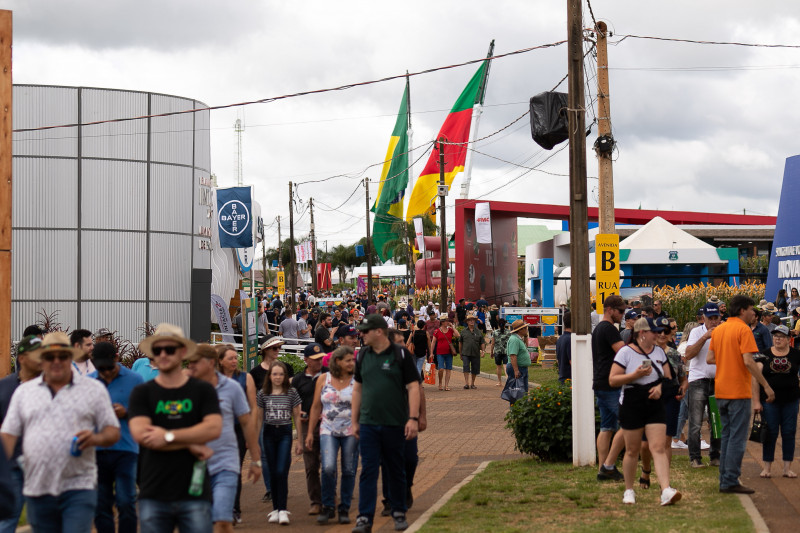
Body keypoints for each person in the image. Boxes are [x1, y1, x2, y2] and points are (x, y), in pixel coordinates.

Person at [1, 332, 120, 532]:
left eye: (62, 356)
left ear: (70, 357)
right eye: (50, 357)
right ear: (42, 360)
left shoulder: (93, 389)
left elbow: (113, 431)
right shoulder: (24, 393)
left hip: (79, 486)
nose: (56, 361)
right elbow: (8, 436)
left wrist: (96, 438)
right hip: (37, 488)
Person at [128, 324, 223, 533]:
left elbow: (213, 429)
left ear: (182, 352)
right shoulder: (142, 393)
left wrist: (168, 436)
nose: (162, 354)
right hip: (153, 491)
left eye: (169, 349)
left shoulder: (202, 390)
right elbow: (142, 435)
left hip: (194, 491)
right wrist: (191, 442)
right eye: (157, 350)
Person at [351, 314, 420, 533]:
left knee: (395, 468)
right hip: (369, 423)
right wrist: (354, 420)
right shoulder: (362, 356)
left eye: (365, 331)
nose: (361, 335)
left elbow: (413, 387)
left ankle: (398, 511)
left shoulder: (400, 354)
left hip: (394, 423)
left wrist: (413, 418)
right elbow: (357, 389)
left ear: (379, 332)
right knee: (368, 470)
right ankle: (364, 517)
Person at [186, 344, 261, 533]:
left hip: (225, 464)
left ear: (211, 363)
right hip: (195, 467)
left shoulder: (232, 387)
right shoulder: (185, 388)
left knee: (221, 519)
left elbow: (246, 422)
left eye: (196, 362)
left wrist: (256, 460)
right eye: (189, 362)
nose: (190, 366)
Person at [707, 295, 775, 494]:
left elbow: (710, 358)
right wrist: (766, 386)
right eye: (751, 309)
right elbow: (748, 361)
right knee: (736, 438)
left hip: (721, 390)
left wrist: (728, 359)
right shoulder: (743, 329)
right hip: (738, 391)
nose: (754, 312)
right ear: (742, 310)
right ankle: (729, 480)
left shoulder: (719, 329)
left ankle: (725, 478)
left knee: (728, 435)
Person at [609, 317, 681, 506]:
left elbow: (669, 378)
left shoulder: (659, 352)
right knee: (633, 450)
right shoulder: (625, 353)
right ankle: (629, 490)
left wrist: (659, 388)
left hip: (654, 403)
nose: (659, 334)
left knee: (657, 447)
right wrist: (635, 375)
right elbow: (613, 380)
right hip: (632, 402)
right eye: (655, 332)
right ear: (642, 334)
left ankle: (665, 489)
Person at [89, 342, 144, 533]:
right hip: (96, 450)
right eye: (100, 368)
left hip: (126, 448)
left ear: (117, 358)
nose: (105, 372)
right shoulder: (88, 382)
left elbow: (148, 413)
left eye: (108, 367)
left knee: (126, 499)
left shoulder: (135, 380)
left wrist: (127, 413)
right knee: (101, 502)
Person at [306, 346, 358, 525]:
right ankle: (328, 506)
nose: (352, 363)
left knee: (349, 469)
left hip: (351, 430)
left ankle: (344, 508)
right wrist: (310, 433)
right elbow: (315, 407)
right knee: (328, 467)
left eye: (353, 360)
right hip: (328, 429)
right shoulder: (323, 378)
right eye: (348, 360)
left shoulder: (357, 380)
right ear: (337, 361)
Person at [0, 335, 42, 533]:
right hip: (13, 464)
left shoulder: (52, 386)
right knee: (7, 519)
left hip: (43, 466)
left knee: (44, 519)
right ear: (22, 358)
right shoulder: (4, 388)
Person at [256, 361, 303, 525]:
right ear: (269, 376)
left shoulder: (292, 392)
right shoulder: (263, 393)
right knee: (273, 471)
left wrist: (300, 441)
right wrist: (256, 440)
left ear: (285, 376)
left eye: (281, 374)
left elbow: (297, 416)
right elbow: (259, 418)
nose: (277, 377)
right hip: (268, 433)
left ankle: (283, 509)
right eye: (274, 374)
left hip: (284, 433)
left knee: (282, 470)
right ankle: (275, 509)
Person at [752, 325, 800, 478]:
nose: (778, 339)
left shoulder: (796, 355)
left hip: (791, 400)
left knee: (789, 432)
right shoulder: (763, 355)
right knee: (770, 432)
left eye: (781, 336)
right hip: (770, 401)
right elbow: (755, 377)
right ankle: (767, 467)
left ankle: (787, 468)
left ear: (788, 339)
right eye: (775, 336)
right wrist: (756, 401)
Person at [217, 344, 257, 525]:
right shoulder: (212, 380)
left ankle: (234, 508)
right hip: (217, 431)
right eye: (230, 358)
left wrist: (252, 433)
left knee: (234, 468)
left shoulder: (244, 378)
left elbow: (253, 407)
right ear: (220, 361)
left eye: (236, 358)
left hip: (239, 430)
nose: (235, 361)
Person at [592, 294, 627, 481]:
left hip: (600, 382)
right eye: (620, 311)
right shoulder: (609, 329)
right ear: (610, 310)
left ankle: (602, 469)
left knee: (606, 428)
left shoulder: (599, 329)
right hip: (611, 384)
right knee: (628, 424)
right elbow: (624, 353)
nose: (622, 314)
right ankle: (608, 466)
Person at [292, 343, 328, 516]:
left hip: (327, 424)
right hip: (307, 426)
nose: (319, 361)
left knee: (328, 464)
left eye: (321, 358)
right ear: (306, 360)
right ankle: (315, 501)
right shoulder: (299, 380)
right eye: (315, 359)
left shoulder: (329, 375)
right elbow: (294, 405)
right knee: (311, 465)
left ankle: (329, 497)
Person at [685, 304, 722, 468]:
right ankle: (695, 458)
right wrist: (705, 337)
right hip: (698, 380)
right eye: (710, 318)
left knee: (716, 421)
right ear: (703, 319)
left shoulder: (724, 331)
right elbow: (688, 355)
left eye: (716, 318)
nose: (713, 322)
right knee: (695, 421)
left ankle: (715, 456)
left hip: (718, 380)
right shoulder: (696, 332)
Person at [430, 314, 460, 391]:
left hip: (449, 352)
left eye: (448, 321)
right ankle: (440, 383)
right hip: (440, 352)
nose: (447, 322)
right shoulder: (437, 331)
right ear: (442, 322)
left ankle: (446, 385)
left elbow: (457, 335)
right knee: (441, 369)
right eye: (446, 321)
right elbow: (433, 342)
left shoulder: (450, 330)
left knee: (448, 369)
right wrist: (431, 353)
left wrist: (452, 327)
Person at [506, 319, 532, 397]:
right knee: (517, 392)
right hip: (518, 368)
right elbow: (513, 356)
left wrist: (526, 337)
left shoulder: (518, 339)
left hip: (521, 367)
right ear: (520, 330)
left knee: (522, 391)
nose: (527, 329)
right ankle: (516, 407)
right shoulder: (514, 340)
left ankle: (521, 407)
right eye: (525, 328)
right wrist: (516, 370)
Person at [460, 313, 485, 389]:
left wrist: (483, 351)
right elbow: (460, 342)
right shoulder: (463, 331)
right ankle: (466, 383)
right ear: (467, 322)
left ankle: (472, 383)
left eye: (473, 320)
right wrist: (460, 353)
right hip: (465, 353)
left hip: (476, 353)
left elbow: (482, 342)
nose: (471, 321)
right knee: (466, 367)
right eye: (470, 320)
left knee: (475, 369)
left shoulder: (478, 332)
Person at [488, 318, 510, 386]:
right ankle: (507, 380)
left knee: (498, 367)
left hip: (497, 351)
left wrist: (491, 352)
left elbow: (492, 343)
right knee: (506, 366)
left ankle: (500, 381)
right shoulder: (509, 332)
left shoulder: (495, 332)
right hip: (506, 351)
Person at [556, 312, 572, 384]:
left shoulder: (560, 338)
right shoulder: (570, 339)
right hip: (569, 379)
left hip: (562, 377)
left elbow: (558, 360)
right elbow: (572, 362)